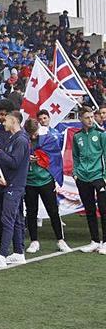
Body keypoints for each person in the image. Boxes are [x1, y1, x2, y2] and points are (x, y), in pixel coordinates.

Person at [0, 111, 31, 268]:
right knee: (15, 219)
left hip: (15, 186)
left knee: (7, 219)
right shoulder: (14, 138)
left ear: (14, 121)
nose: (3, 122)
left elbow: (14, 162)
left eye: (7, 120)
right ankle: (18, 252)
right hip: (10, 183)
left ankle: (2, 254)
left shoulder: (21, 140)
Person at [23, 119, 71, 254]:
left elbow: (56, 158)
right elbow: (16, 158)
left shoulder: (48, 140)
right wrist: (27, 158)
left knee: (53, 211)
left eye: (35, 132)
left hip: (46, 180)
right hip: (29, 182)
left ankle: (61, 240)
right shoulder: (22, 142)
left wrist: (56, 179)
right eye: (30, 133)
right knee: (31, 212)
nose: (33, 136)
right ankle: (34, 241)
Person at [69, 106, 106, 254]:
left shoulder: (101, 134)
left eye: (92, 117)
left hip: (99, 177)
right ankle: (95, 241)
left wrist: (104, 177)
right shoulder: (77, 136)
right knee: (90, 210)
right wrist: (75, 173)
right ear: (80, 119)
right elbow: (76, 157)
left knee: (104, 210)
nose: (91, 120)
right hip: (83, 178)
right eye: (87, 117)